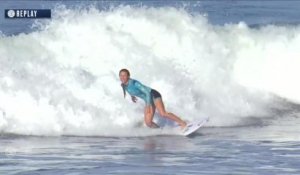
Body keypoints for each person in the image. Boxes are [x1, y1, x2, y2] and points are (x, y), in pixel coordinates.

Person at [119, 68, 187, 129]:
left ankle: (183, 123)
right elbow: (128, 89)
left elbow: (147, 93)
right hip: (148, 100)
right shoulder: (123, 84)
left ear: (128, 76)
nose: (122, 77)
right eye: (121, 75)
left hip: (153, 95)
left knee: (163, 113)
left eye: (124, 75)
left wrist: (148, 105)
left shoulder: (134, 83)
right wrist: (132, 96)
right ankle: (159, 130)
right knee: (148, 123)